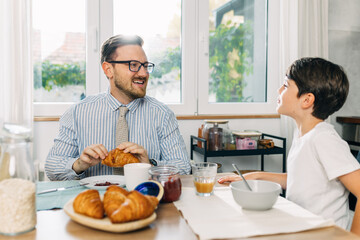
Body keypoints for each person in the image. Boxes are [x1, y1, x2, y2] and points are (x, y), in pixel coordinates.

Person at [218, 57, 360, 234]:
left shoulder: (324, 139)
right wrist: (254, 176)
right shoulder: (303, 133)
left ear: (306, 100)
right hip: (301, 230)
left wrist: (353, 237)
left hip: (323, 235)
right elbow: (299, 179)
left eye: (285, 85)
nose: (279, 90)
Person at [45, 34, 191, 180]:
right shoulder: (78, 113)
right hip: (97, 199)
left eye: (146, 66)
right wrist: (79, 164)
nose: (143, 73)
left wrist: (150, 165)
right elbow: (52, 168)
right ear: (108, 70)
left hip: (144, 198)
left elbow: (184, 168)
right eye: (133, 65)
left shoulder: (162, 115)